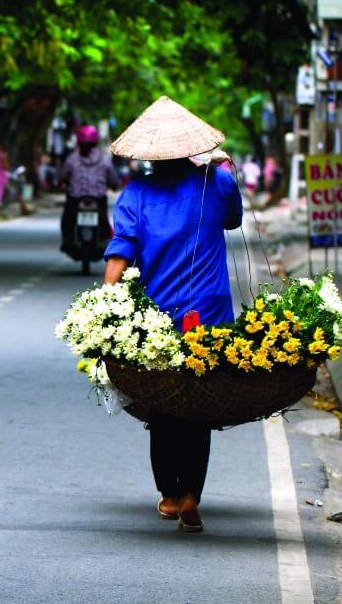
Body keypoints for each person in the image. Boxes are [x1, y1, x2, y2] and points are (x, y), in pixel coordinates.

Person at [103, 96, 243, 533]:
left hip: (157, 317)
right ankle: (191, 497)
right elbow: (233, 221)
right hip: (210, 312)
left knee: (163, 405)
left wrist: (103, 307)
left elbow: (120, 252)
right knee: (197, 406)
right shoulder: (215, 184)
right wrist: (225, 171)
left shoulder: (137, 194)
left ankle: (168, 493)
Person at [58, 125, 119, 252]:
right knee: (103, 219)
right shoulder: (104, 159)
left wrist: (62, 182)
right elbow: (113, 178)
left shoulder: (72, 158)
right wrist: (114, 185)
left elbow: (62, 175)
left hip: (75, 198)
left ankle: (67, 240)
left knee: (67, 219)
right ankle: (103, 240)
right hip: (98, 197)